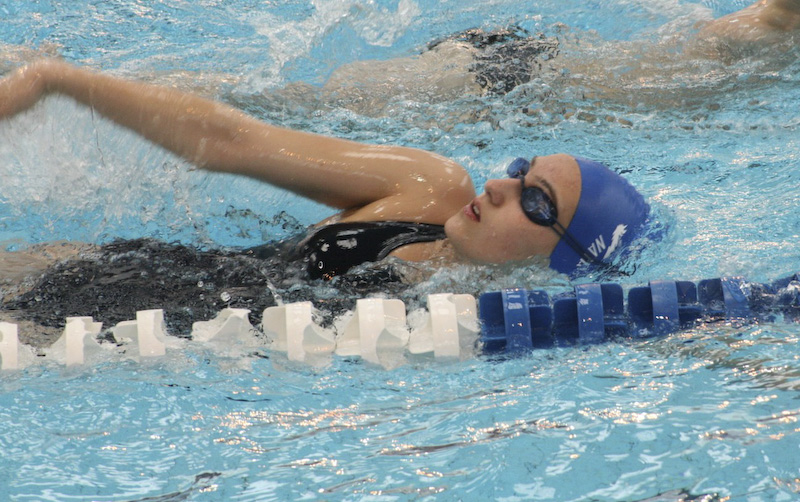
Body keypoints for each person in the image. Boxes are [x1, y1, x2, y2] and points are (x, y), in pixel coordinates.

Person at [1, 0, 797, 281]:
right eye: (521, 171)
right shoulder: (425, 188)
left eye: (533, 200)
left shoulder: (504, 337)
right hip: (100, 274)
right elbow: (229, 139)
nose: (497, 185)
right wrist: (60, 80)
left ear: (563, 261)